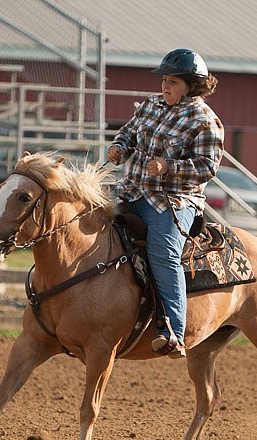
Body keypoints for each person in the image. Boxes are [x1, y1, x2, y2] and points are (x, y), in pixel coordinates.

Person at [106, 48, 224, 358]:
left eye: (172, 81)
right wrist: (118, 147)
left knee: (163, 254)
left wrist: (169, 167)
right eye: (164, 80)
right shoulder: (150, 105)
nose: (165, 86)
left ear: (191, 85)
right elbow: (129, 132)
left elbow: (207, 167)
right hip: (130, 192)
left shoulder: (205, 121)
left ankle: (172, 330)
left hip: (172, 202)